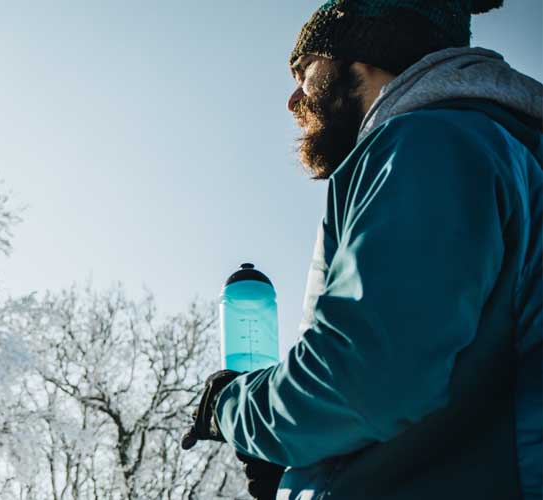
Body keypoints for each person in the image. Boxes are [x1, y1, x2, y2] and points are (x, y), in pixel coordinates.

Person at [181, 1, 541, 499]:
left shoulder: (430, 142)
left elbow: (365, 378)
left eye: (304, 70)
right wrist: (299, 452)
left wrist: (232, 408)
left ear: (364, 54)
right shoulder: (485, 148)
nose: (293, 99)